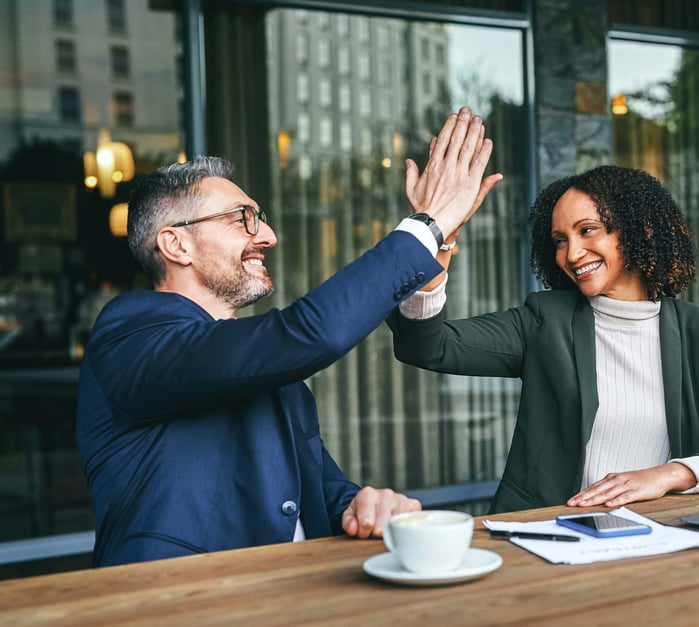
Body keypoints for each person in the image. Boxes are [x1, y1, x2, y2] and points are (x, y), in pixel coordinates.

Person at [76, 106, 503, 566]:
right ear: (176, 244)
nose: (270, 236)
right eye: (244, 218)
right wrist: (426, 226)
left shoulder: (265, 363)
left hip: (294, 595)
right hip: (181, 602)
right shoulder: (129, 332)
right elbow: (311, 334)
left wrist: (362, 505)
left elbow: (321, 492)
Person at [389, 165, 699, 514]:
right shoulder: (546, 321)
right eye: (560, 240)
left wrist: (667, 474)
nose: (572, 253)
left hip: (663, 534)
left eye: (587, 230)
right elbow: (427, 344)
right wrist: (435, 241)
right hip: (547, 536)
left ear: (639, 229)